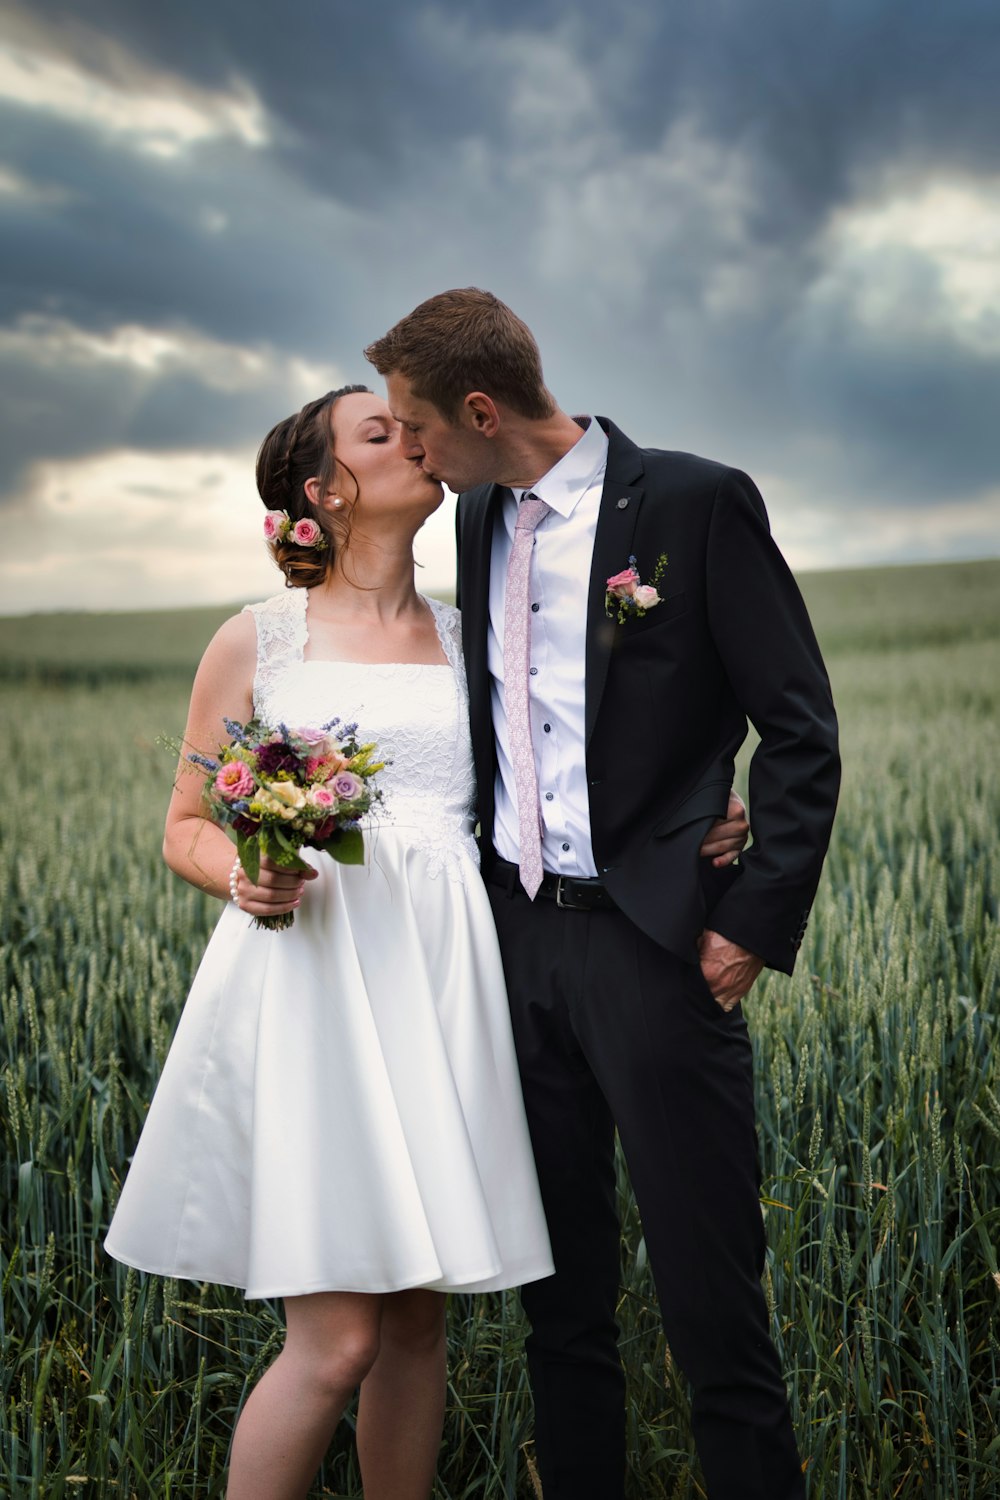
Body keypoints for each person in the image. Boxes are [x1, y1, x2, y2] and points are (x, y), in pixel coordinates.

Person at [104, 384, 748, 1500]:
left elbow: (571, 774)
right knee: (336, 1343)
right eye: (377, 432)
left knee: (413, 1330)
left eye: (408, 427)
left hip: (446, 984)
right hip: (317, 986)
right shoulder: (258, 638)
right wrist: (247, 878)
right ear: (323, 490)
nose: (411, 437)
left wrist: (700, 824)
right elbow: (184, 825)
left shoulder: (474, 638)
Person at [366, 289, 841, 1500]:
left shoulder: (692, 502)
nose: (411, 453)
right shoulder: (474, 520)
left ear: (480, 410)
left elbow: (798, 729)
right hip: (514, 948)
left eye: (416, 429)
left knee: (711, 1305)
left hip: (657, 948)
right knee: (560, 1311)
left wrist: (747, 922)